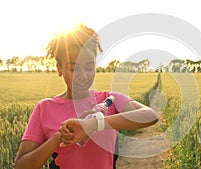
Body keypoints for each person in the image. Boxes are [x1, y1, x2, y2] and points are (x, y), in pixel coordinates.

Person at [14, 24, 158, 169]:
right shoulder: (45, 108)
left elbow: (150, 115)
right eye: (73, 68)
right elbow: (21, 165)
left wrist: (92, 124)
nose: (82, 76)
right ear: (59, 68)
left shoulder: (110, 100)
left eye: (89, 67)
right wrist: (59, 137)